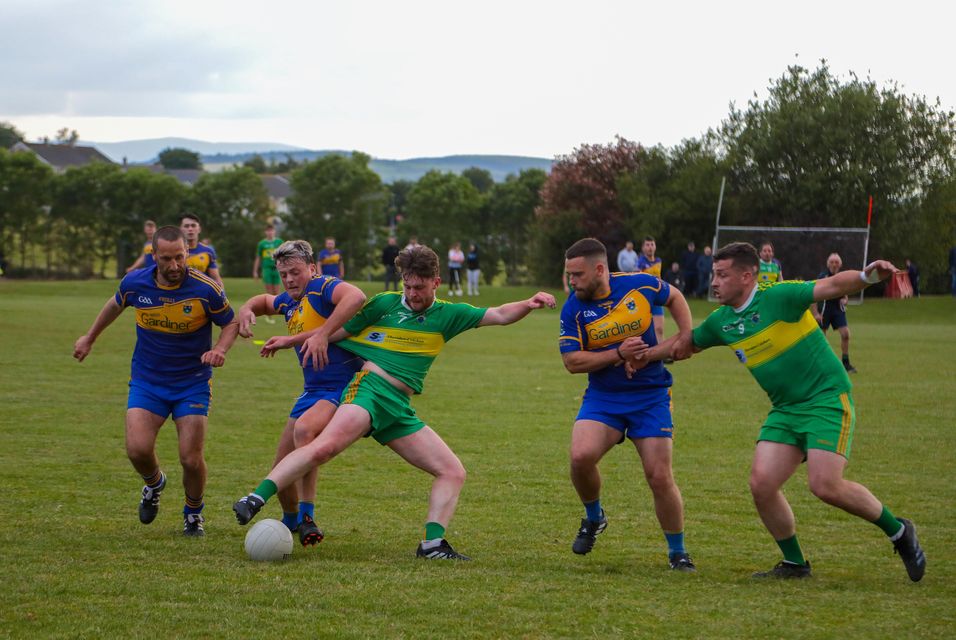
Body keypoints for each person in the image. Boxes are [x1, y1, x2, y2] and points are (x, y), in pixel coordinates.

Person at [232, 245, 557, 560]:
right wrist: (293, 340)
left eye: (419, 287)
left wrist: (529, 303)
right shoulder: (384, 304)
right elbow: (337, 332)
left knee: (452, 471)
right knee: (324, 447)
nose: (412, 293)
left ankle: (432, 544)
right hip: (368, 390)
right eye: (408, 285)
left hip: (397, 408)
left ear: (436, 283)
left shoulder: (449, 314)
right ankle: (256, 496)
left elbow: (499, 314)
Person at [672, 242, 926, 581]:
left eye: (722, 275)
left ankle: (899, 531)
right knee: (762, 484)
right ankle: (795, 563)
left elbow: (832, 286)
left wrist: (867, 276)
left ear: (748, 276)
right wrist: (636, 355)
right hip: (786, 409)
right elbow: (684, 345)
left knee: (825, 486)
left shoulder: (780, 296)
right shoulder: (722, 321)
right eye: (713, 274)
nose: (713, 282)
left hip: (825, 398)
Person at [73, 226, 239, 537]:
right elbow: (114, 304)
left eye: (180, 257)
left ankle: (193, 513)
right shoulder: (135, 283)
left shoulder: (206, 289)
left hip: (192, 381)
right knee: (137, 449)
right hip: (148, 380)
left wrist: (220, 349)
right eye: (167, 259)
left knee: (190, 458)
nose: (175, 265)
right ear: (154, 256)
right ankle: (154, 483)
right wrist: (90, 337)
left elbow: (230, 322)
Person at [559, 238, 696, 570]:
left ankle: (677, 552)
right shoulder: (573, 308)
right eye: (568, 275)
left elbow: (675, 296)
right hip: (605, 397)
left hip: (650, 395)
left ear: (600, 269)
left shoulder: (639, 285)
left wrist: (686, 335)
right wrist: (618, 354)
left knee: (659, 475)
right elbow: (573, 362)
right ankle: (595, 518)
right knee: (580, 457)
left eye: (577, 274)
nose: (571, 282)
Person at [237, 240, 366, 545]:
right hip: (312, 390)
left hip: (343, 386)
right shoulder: (288, 301)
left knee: (305, 431)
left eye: (295, 272)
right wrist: (245, 308)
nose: (290, 279)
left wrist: (321, 334)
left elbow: (357, 297)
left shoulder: (322, 287)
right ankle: (291, 522)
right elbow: (264, 301)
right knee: (282, 472)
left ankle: (308, 517)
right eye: (284, 274)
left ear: (311, 268)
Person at [812, 253, 857, 373]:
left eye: (836, 262)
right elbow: (812, 295)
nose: (834, 264)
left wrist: (845, 300)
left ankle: (846, 363)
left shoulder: (842, 277)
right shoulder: (823, 276)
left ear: (840, 264)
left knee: (845, 334)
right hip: (824, 309)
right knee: (821, 339)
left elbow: (845, 294)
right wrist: (816, 313)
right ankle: (821, 366)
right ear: (828, 264)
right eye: (832, 262)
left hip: (837, 309)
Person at [180, 213, 223, 287]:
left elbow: (216, 279)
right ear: (180, 229)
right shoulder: (174, 251)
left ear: (199, 229)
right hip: (180, 295)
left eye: (193, 226)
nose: (190, 229)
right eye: (186, 226)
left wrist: (223, 297)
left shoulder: (208, 251)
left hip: (202, 296)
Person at [636, 236, 665, 343]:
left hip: (657, 298)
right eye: (647, 245)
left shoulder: (658, 261)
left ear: (655, 246)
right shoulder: (640, 262)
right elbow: (637, 279)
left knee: (659, 329)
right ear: (643, 248)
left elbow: (659, 277)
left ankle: (661, 353)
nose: (650, 247)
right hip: (644, 298)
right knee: (641, 330)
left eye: (652, 244)